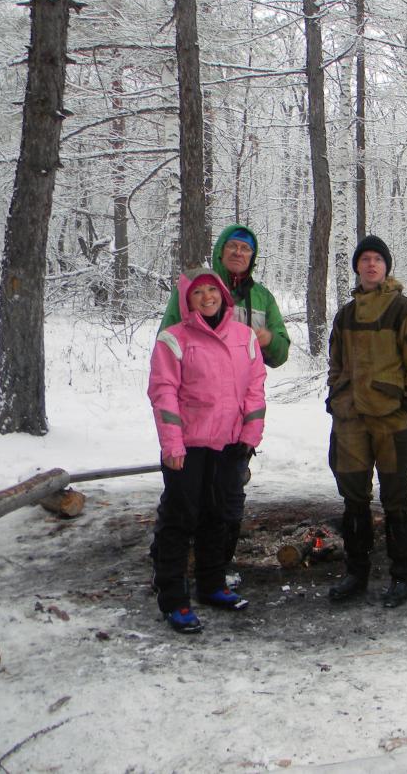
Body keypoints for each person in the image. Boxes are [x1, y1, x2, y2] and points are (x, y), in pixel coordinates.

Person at [159, 224, 290, 576]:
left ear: (252, 257)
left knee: (228, 497)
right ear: (220, 251)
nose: (238, 253)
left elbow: (280, 352)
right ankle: (175, 569)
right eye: (232, 247)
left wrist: (268, 341)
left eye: (245, 249)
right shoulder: (195, 288)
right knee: (186, 500)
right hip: (194, 420)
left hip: (237, 418)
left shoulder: (262, 297)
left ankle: (217, 568)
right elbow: (167, 346)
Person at [148, 268, 266, 634]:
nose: (207, 298)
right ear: (187, 300)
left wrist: (251, 431)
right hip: (188, 446)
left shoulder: (244, 336)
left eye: (211, 291)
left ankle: (212, 584)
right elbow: (163, 393)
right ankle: (173, 597)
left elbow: (255, 387)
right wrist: (172, 443)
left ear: (223, 296)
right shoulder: (174, 339)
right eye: (198, 293)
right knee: (180, 518)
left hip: (229, 443)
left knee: (219, 517)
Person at [325, 235, 407, 607]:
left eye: (377, 260)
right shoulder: (346, 314)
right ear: (357, 267)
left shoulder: (405, 309)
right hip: (350, 420)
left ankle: (402, 576)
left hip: (392, 420)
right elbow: (336, 361)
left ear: (387, 267)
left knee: (396, 499)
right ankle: (356, 573)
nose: (371, 265)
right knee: (353, 500)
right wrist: (337, 394)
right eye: (365, 259)